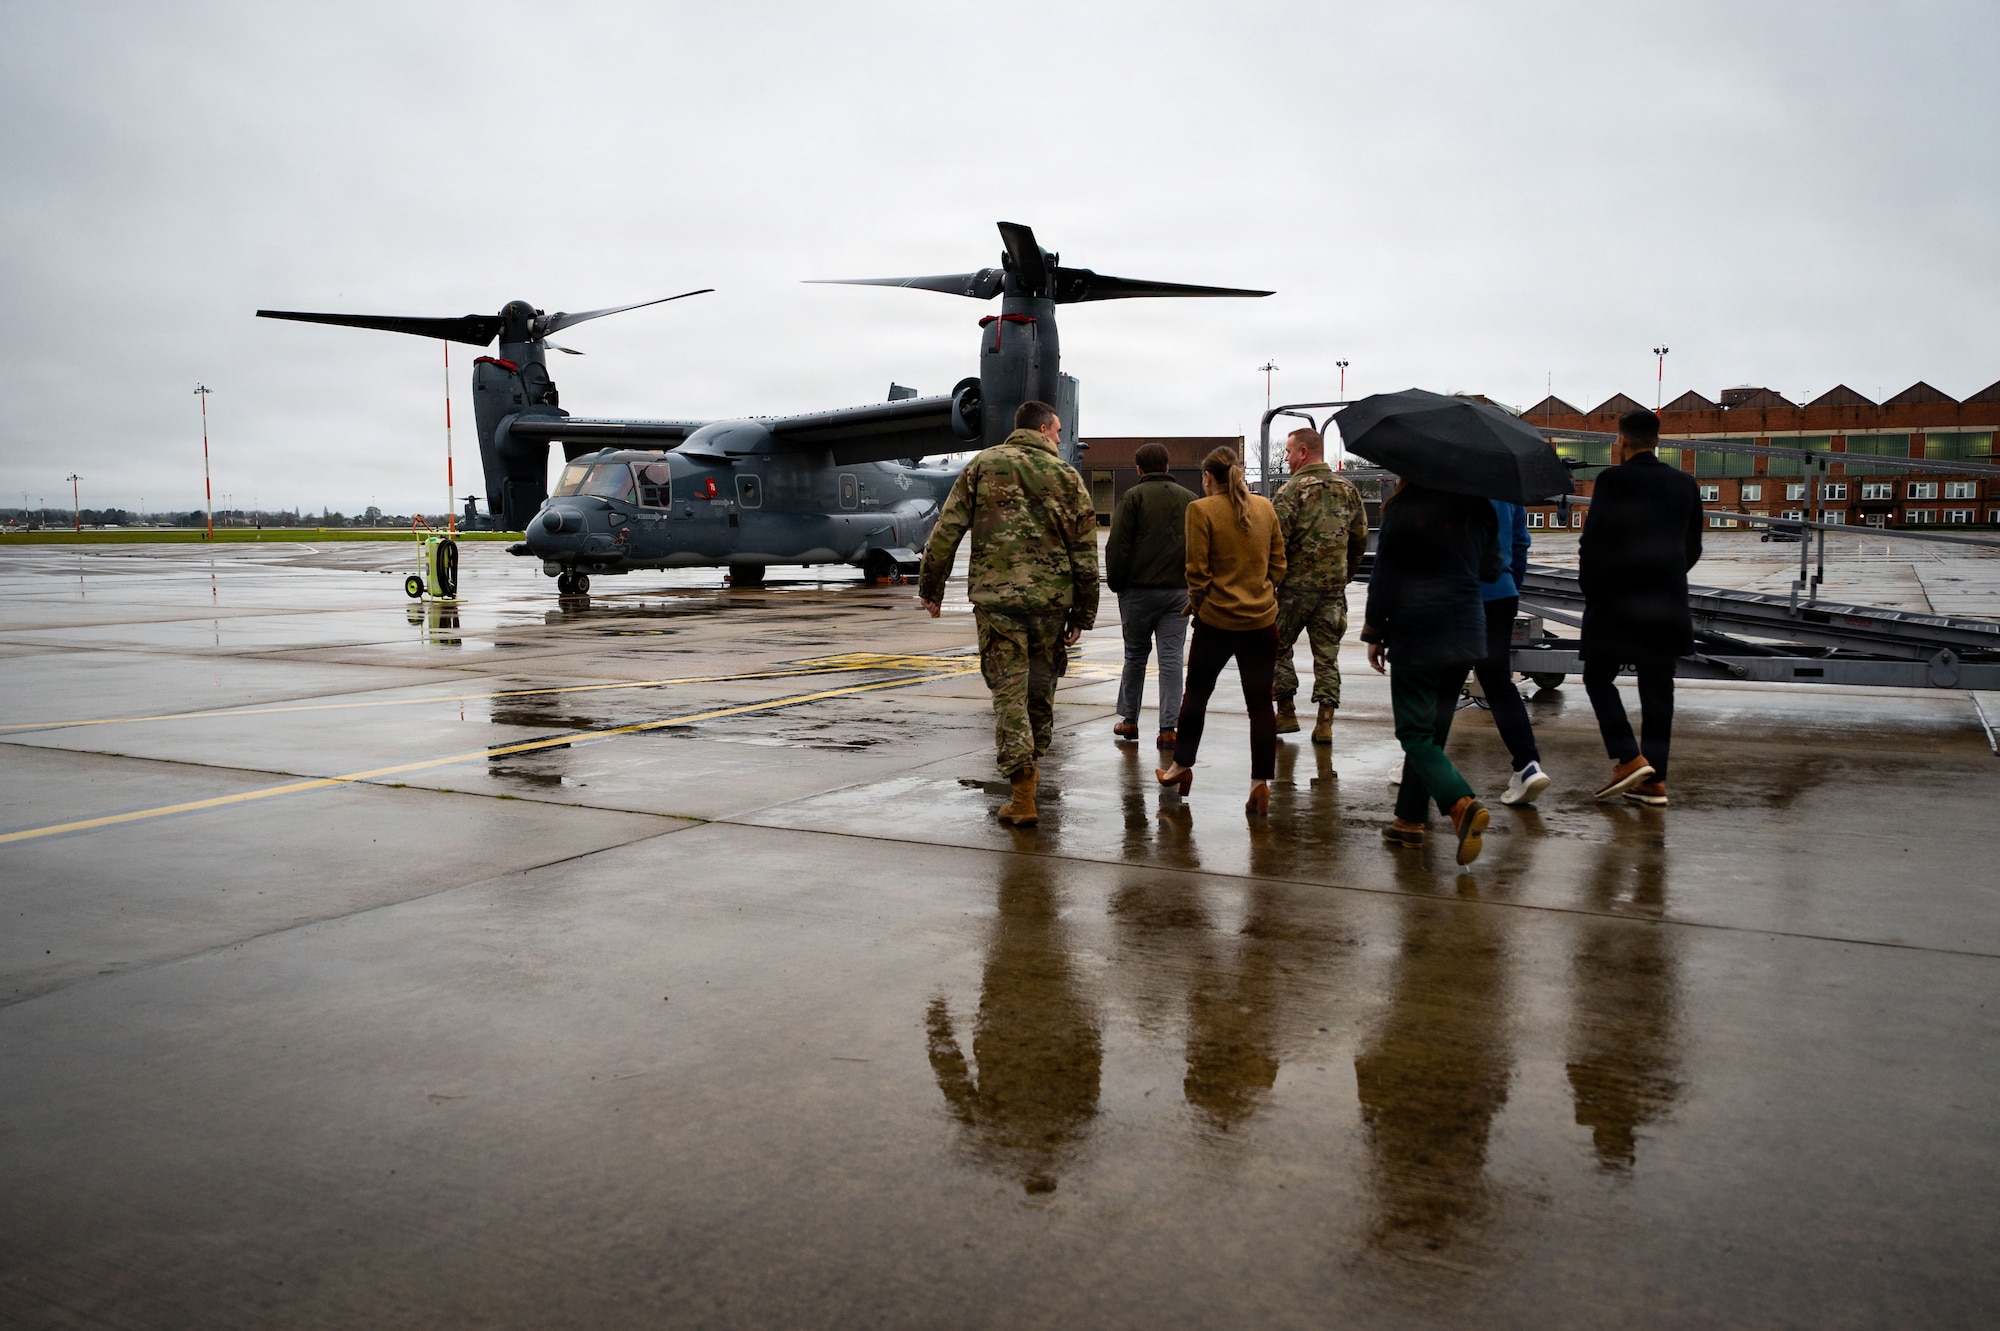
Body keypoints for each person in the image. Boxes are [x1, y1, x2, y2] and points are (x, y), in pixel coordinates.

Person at [919, 400, 1100, 826]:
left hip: (998, 600)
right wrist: (1082, 613)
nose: (1059, 438)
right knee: (1039, 689)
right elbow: (1085, 551)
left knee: (1008, 691)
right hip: (1052, 604)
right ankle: (1026, 785)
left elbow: (947, 528)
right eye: (1057, 431)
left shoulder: (983, 466)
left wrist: (932, 586)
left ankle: (1023, 792)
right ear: (1041, 428)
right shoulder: (1067, 476)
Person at [1362, 480, 1501, 865]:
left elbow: (1384, 575)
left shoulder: (1402, 508)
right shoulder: (1480, 507)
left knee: (1414, 732)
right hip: (1465, 633)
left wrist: (1375, 630)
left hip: (1418, 633)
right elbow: (1491, 570)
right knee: (1433, 734)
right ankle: (1408, 821)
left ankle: (1461, 802)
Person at [1579, 407, 1703, 805]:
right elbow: (1692, 547)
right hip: (1666, 601)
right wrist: (1665, 574)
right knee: (1658, 690)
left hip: (1616, 600)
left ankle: (1630, 758)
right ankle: (1655, 782)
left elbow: (1593, 542)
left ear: (1622, 441)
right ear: (1657, 440)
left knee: (1598, 679)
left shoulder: (1611, 480)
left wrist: (1592, 590)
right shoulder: (1686, 484)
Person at [1154, 447, 1287, 815]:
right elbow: (1278, 563)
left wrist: (1201, 603)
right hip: (1262, 621)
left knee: (1196, 695)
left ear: (1209, 477)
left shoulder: (1200, 510)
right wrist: (1262, 591)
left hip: (1217, 622)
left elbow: (1196, 571)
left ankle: (1180, 767)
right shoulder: (1265, 508)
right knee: (1261, 706)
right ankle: (1260, 785)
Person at [1270, 427, 1369, 746]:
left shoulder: (1290, 491)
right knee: (1327, 656)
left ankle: (1285, 711)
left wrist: (1271, 582)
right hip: (1331, 590)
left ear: (1303, 452)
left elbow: (1276, 543)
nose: (1285, 458)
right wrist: (1345, 574)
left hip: (1293, 590)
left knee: (1276, 646)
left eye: (1287, 451)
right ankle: (1325, 722)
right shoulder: (1348, 489)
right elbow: (1359, 538)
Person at [1105, 442, 1196, 751]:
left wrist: (1117, 583)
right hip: (1178, 593)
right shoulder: (1190, 500)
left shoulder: (1132, 498)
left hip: (1138, 593)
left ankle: (1129, 720)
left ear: (1139, 469)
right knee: (1171, 661)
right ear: (1168, 467)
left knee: (1135, 656)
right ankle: (1169, 728)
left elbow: (1117, 546)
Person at [1473, 498, 1551, 805]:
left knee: (1444, 679)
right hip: (1501, 591)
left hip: (1461, 591)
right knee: (1498, 681)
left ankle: (1421, 760)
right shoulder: (1505, 483)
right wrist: (1511, 586)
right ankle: (1527, 763)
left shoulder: (1451, 474)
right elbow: (1520, 542)